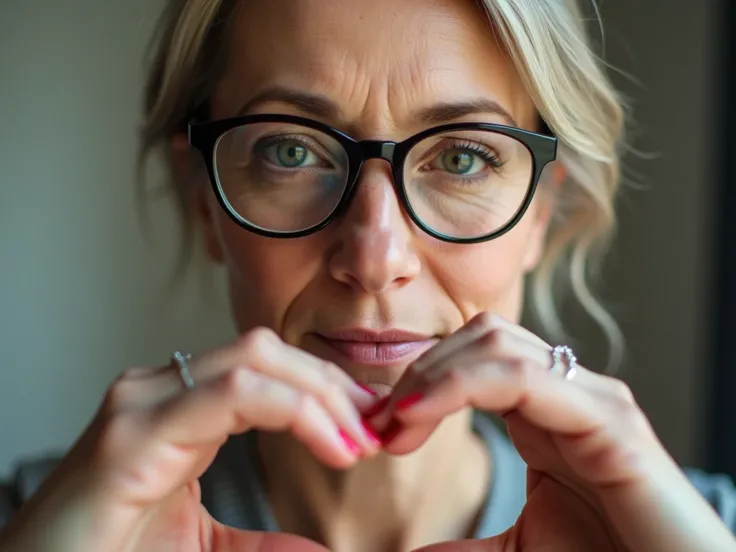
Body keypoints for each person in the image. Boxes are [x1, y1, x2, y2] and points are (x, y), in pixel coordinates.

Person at [1, 0, 736, 550]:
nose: (376, 259)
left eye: (462, 158)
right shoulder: (53, 521)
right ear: (203, 198)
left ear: (541, 209)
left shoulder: (686, 527)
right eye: (290, 151)